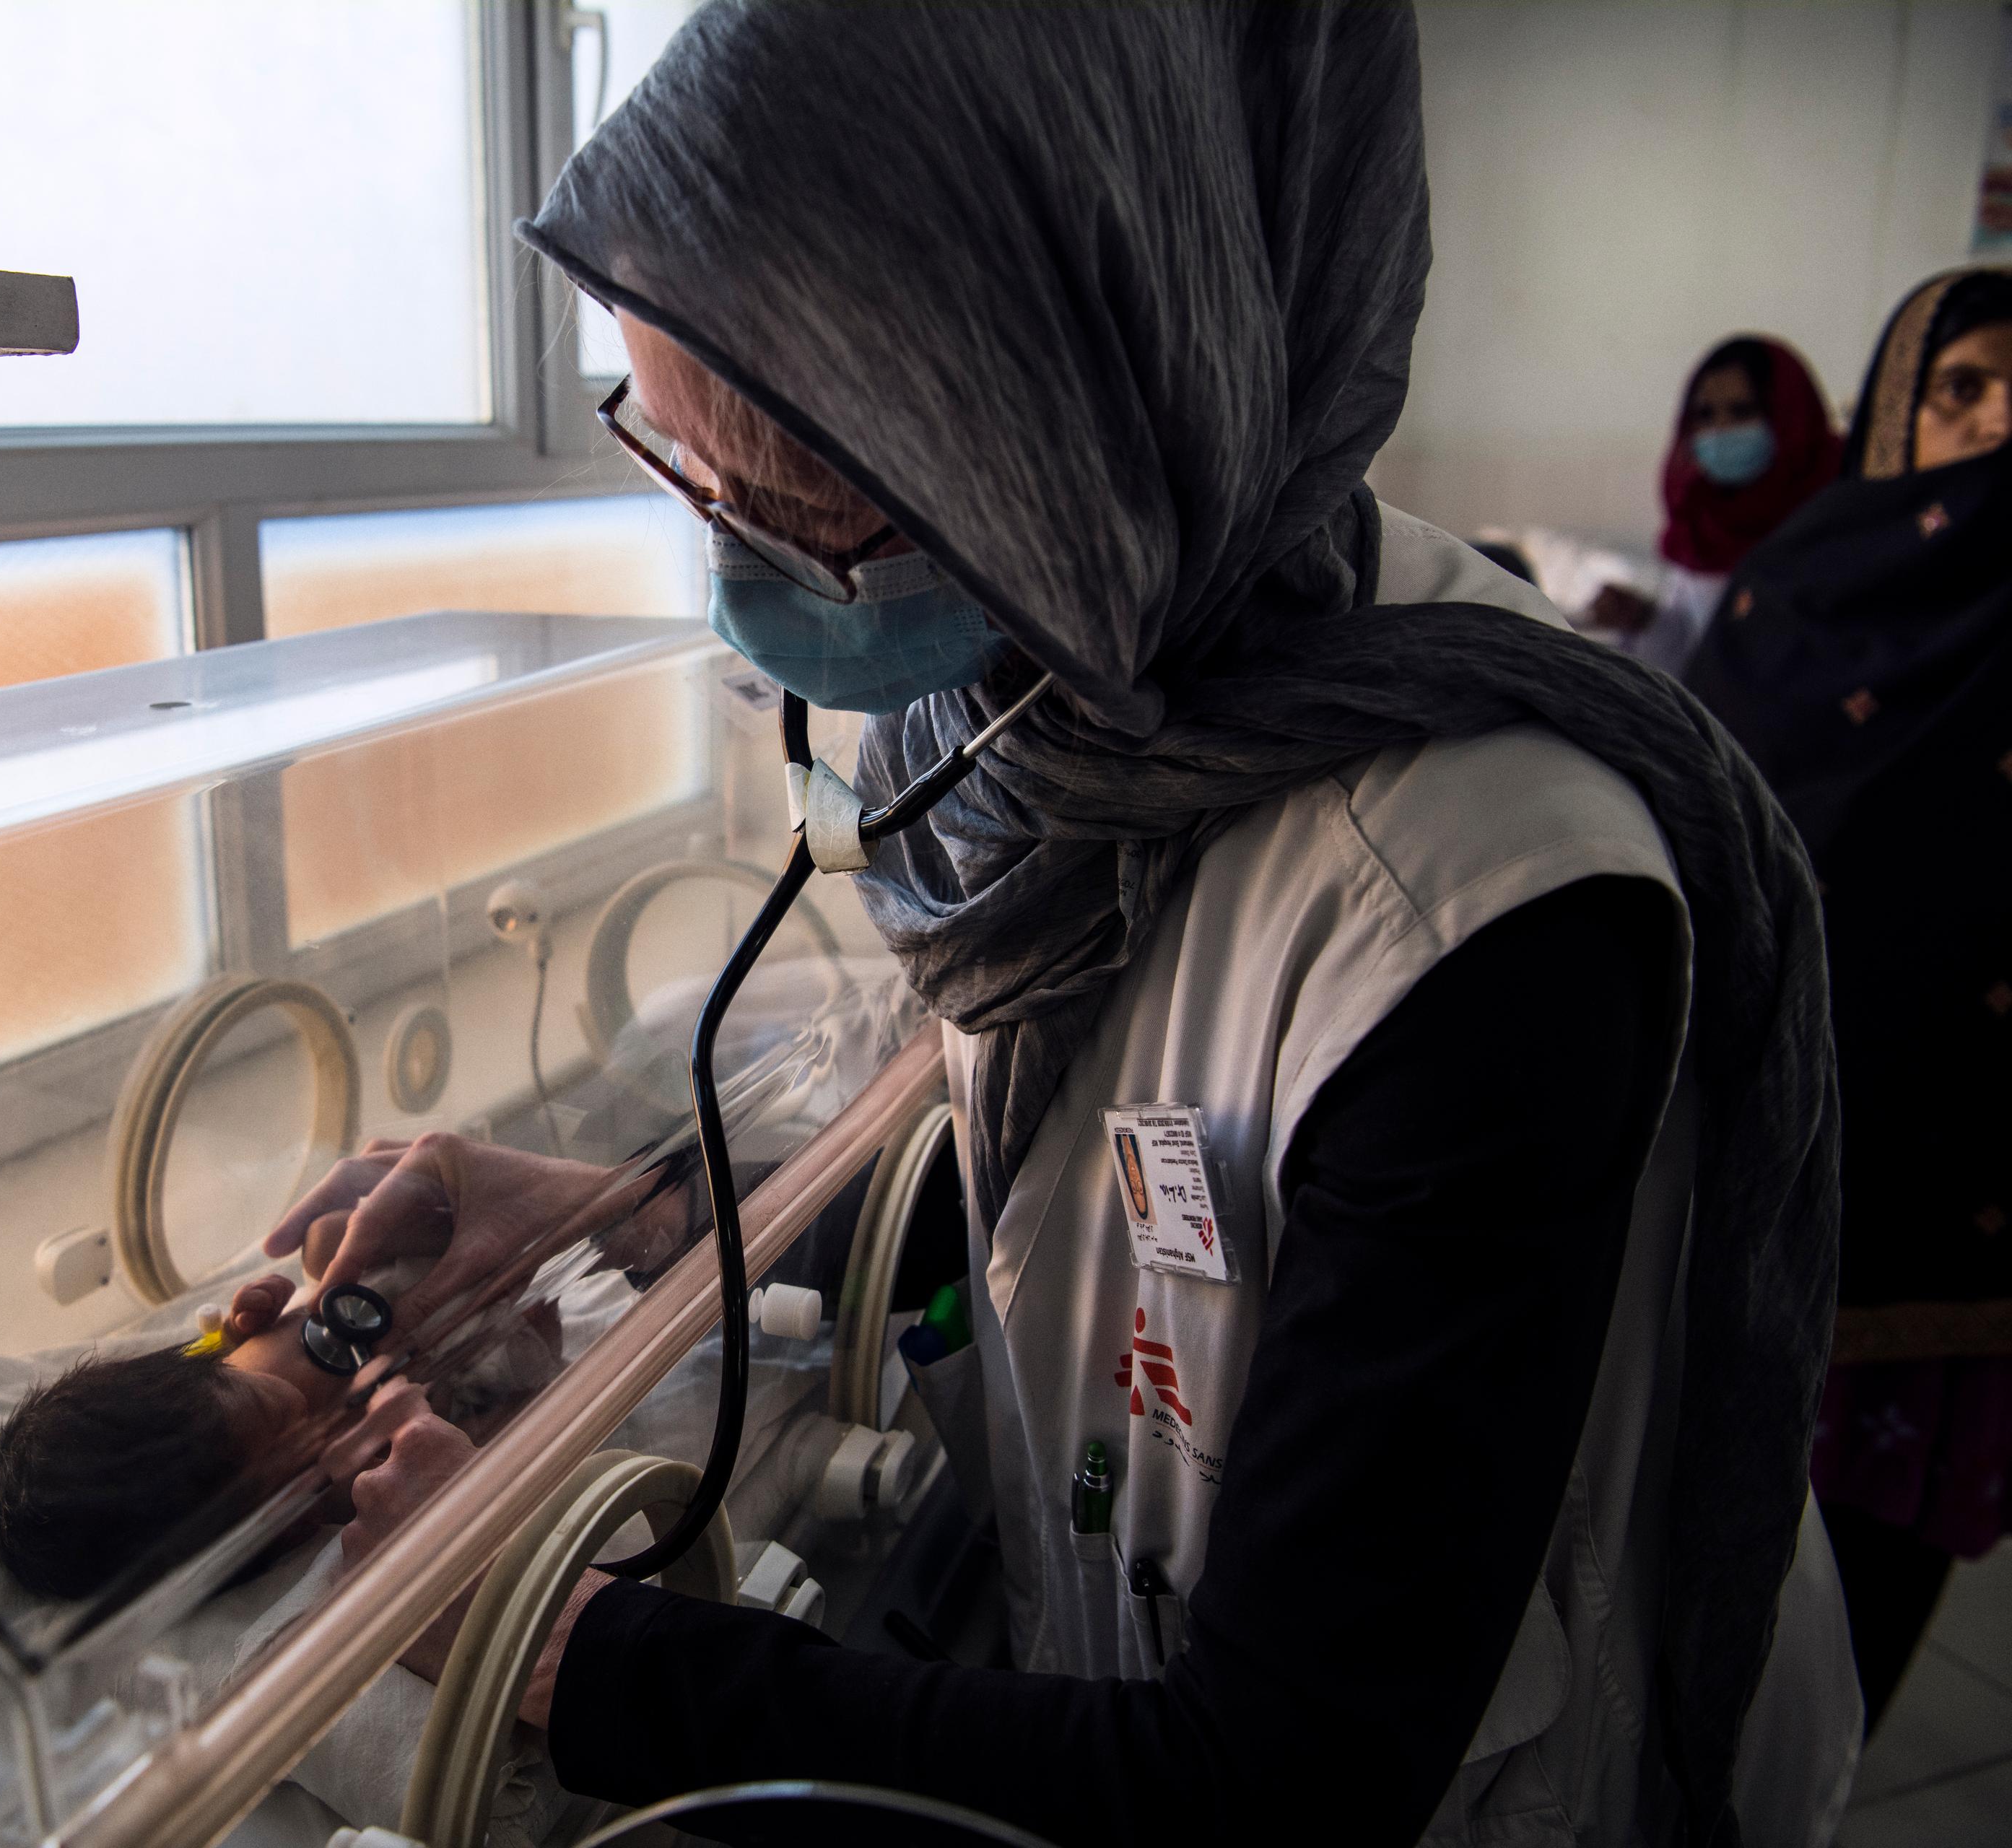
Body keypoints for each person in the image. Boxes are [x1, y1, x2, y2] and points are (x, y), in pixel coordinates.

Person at [298, 8, 1860, 1847]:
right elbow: (1080, 1157)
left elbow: (1276, 1780)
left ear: (1076, 408)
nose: (742, 590)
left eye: (806, 511)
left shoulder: (1476, 926)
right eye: (684, 473)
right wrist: (608, 1207)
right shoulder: (1067, 717)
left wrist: (574, 1655)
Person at [1686, 266, 2012, 1729]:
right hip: (1769, 1167)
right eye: (1963, 387)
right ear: (1895, 414)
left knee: (1875, 1578)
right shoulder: (1789, 594)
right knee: (1702, 1560)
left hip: (1971, 1205)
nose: (2000, 418)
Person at [0, 1237, 559, 1598]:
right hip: (473, 1376)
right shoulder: (349, 1495)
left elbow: (268, 1311)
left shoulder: (228, 1347)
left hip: (409, 1282)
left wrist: (259, 1308)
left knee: (331, 1237)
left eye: (253, 1395)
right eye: (298, 1484)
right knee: (532, 1371)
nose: (305, 1423)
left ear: (211, 1365)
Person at [1574, 336, 1842, 676]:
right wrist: (1645, 620)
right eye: (1704, 414)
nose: (1720, 429)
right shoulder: (1700, 524)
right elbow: (1690, 661)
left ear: (1790, 415)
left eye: (1742, 411)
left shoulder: (1838, 515)